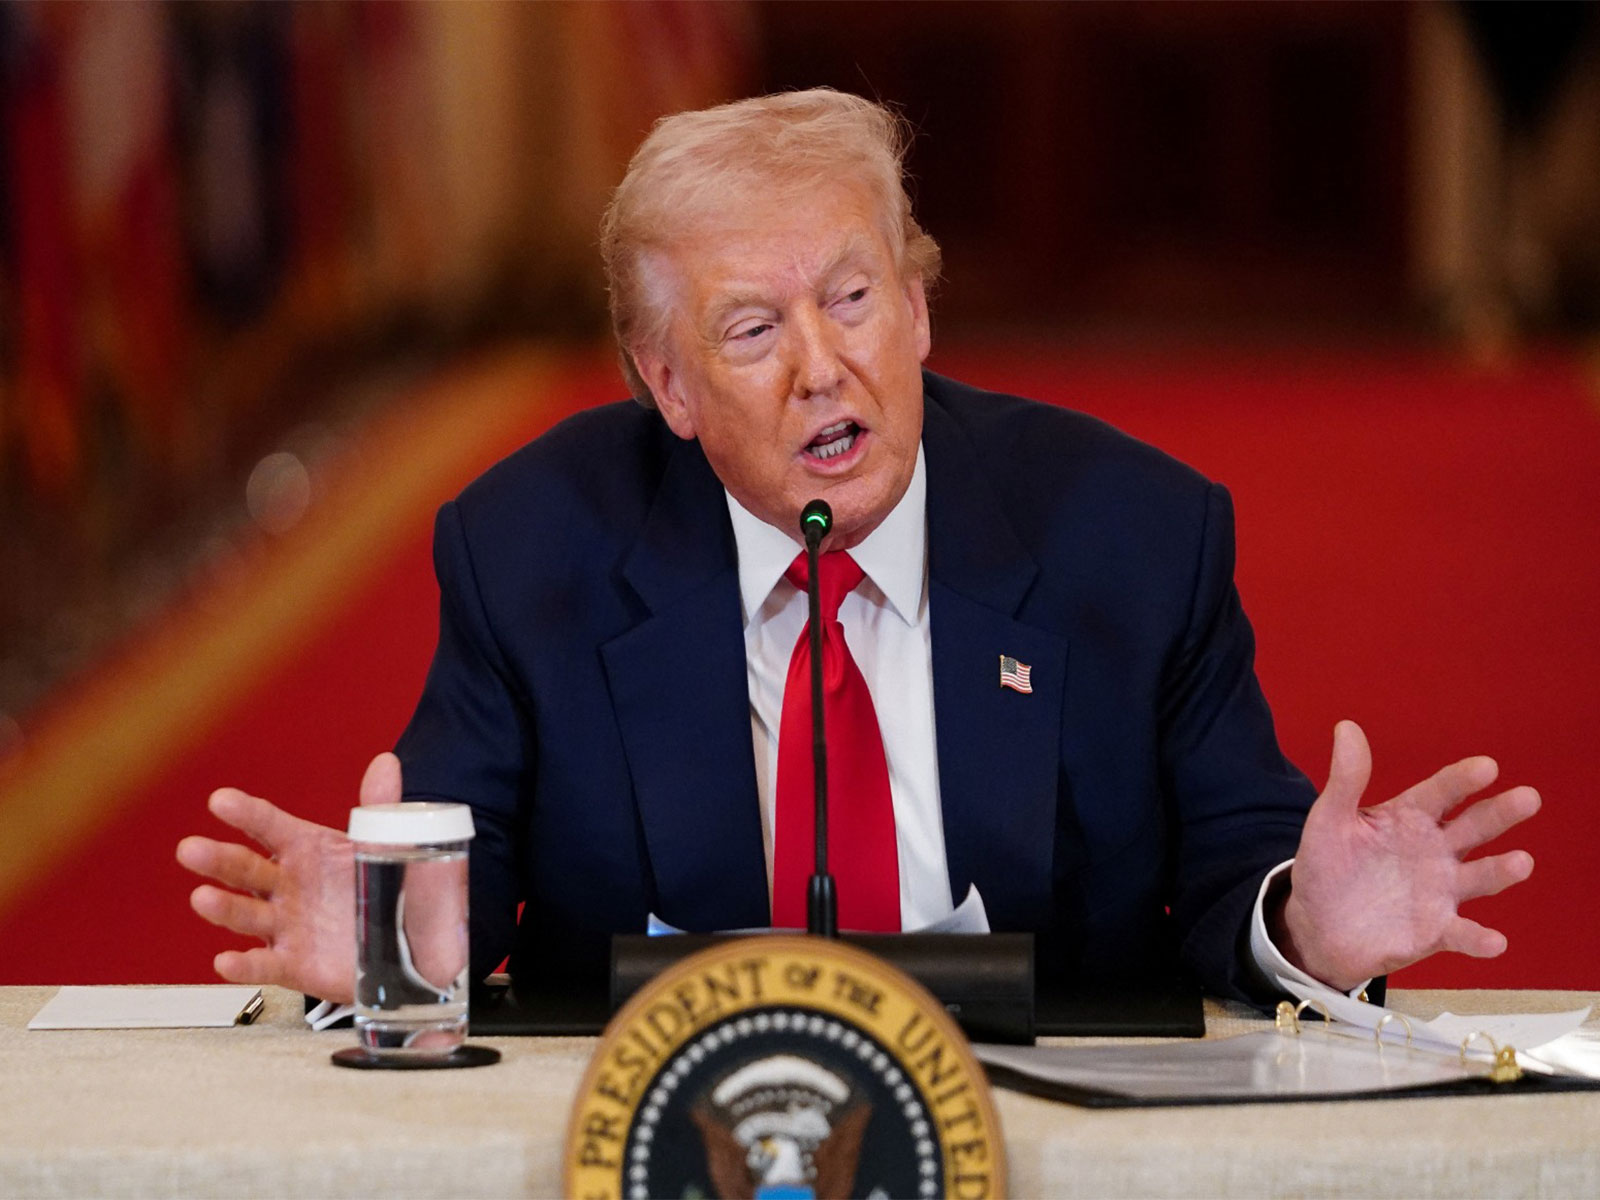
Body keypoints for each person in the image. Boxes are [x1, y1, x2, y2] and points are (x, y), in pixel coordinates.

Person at [177, 89, 1539, 1009]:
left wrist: (1309, 929)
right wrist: (401, 948)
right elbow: (452, 889)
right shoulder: (531, 548)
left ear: (920, 311)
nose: (824, 370)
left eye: (853, 298)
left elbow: (1238, 867)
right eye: (753, 332)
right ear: (670, 386)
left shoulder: (1134, 532)